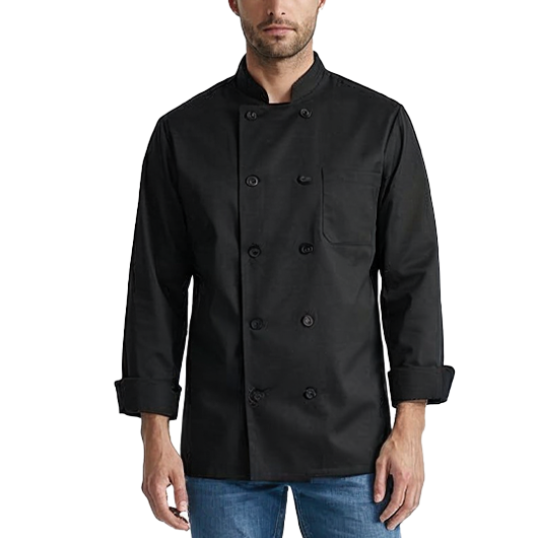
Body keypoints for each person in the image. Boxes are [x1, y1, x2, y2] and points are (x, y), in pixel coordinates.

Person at [113, 1, 456, 536]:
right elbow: (155, 291)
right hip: (225, 441)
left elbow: (412, 281)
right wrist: (154, 435)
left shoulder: (378, 123)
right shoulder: (183, 133)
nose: (277, 7)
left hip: (354, 441)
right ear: (233, 1)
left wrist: (410, 428)